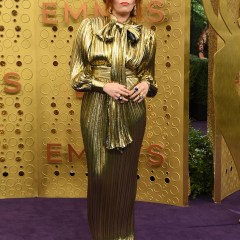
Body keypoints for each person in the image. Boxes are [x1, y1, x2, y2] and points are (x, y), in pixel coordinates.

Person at [70, 0, 157, 239]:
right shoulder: (89, 27)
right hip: (97, 108)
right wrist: (103, 86)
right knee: (100, 175)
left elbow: (149, 76)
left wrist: (145, 84)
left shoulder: (147, 36)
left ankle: (124, 236)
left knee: (126, 177)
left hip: (132, 110)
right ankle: (102, 234)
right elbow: (77, 76)